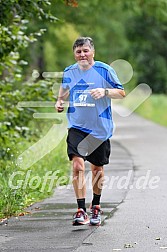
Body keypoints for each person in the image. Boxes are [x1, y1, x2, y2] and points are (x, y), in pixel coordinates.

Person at [55, 37, 125, 226]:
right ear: (74, 54)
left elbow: (121, 92)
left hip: (100, 129)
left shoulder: (104, 70)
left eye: (85, 50)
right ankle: (80, 210)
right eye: (78, 52)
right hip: (77, 126)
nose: (82, 55)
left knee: (97, 169)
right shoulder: (69, 71)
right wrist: (60, 100)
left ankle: (95, 206)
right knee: (78, 166)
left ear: (92, 51)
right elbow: (64, 88)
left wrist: (105, 91)